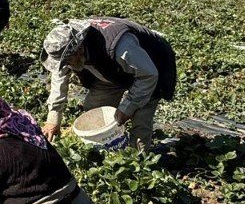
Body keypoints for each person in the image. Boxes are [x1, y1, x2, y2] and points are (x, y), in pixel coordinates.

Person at [39, 17, 176, 149]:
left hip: (152, 68)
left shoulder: (120, 46)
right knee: (93, 111)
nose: (66, 66)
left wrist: (128, 107)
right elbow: (59, 79)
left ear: (79, 50)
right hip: (112, 71)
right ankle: (102, 150)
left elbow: (148, 75)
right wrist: (53, 118)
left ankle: (136, 162)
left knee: (140, 120)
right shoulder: (66, 49)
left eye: (67, 62)